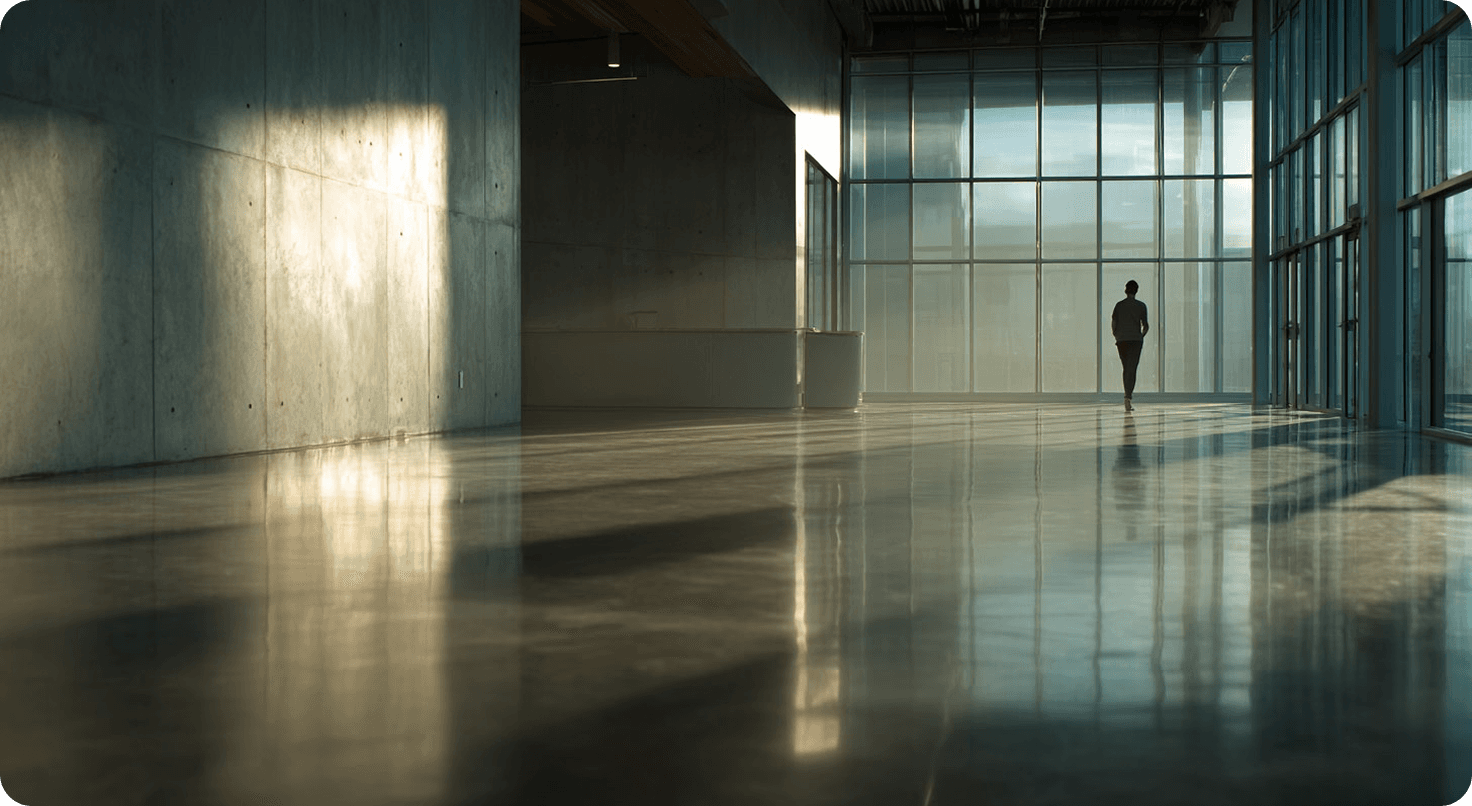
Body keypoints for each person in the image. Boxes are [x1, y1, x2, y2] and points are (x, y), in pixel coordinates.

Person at [1111, 280, 1149, 411]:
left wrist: (1116, 335)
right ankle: (1128, 397)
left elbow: (1114, 323)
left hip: (1122, 340)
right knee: (1132, 369)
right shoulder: (1141, 306)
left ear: (1126, 290)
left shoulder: (1119, 306)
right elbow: (1145, 326)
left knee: (1126, 367)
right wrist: (1140, 336)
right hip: (1135, 341)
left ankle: (1127, 396)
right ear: (1136, 290)